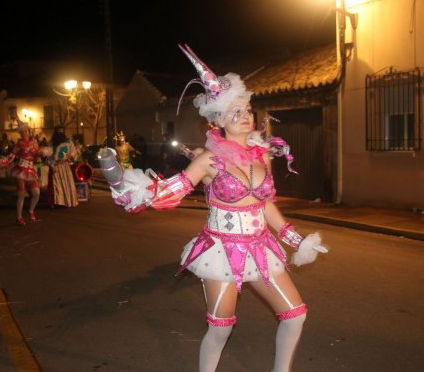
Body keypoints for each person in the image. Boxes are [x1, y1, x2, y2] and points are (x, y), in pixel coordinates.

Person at [103, 44, 327, 372]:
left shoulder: (261, 154)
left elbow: (265, 205)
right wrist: (132, 188)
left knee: (296, 314)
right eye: (234, 112)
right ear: (219, 119)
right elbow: (172, 191)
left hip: (261, 247)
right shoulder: (209, 159)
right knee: (221, 328)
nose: (245, 116)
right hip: (222, 250)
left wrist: (296, 240)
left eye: (247, 109)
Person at [2, 122, 49, 225]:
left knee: (37, 193)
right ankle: (19, 217)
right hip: (20, 170)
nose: (24, 133)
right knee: (21, 194)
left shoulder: (34, 143)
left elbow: (37, 155)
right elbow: (12, 156)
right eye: (22, 132)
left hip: (31, 170)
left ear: (29, 132)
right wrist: (4, 162)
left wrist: (41, 153)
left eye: (26, 131)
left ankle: (31, 210)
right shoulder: (18, 144)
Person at [47, 130, 79, 208]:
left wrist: (69, 157)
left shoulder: (68, 142)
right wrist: (52, 165)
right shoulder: (51, 144)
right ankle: (58, 202)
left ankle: (67, 201)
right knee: (57, 186)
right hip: (56, 166)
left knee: (67, 184)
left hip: (65, 165)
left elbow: (73, 153)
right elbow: (49, 156)